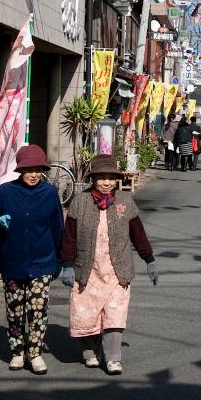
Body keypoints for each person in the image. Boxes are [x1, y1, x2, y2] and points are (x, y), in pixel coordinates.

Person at [59, 155, 157, 375]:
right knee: (86, 314)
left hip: (117, 270)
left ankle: (113, 359)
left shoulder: (124, 201)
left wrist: (149, 259)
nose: (106, 182)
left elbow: (138, 234)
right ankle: (90, 351)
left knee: (115, 315)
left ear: (116, 180)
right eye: (101, 178)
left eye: (110, 178)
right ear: (93, 179)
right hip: (87, 269)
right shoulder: (80, 202)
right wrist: (66, 264)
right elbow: (69, 237)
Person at [0, 144, 64, 374]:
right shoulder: (6, 191)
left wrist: (60, 260)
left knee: (38, 310)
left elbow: (58, 228)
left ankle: (35, 353)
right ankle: (18, 352)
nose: (35, 174)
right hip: (12, 260)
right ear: (20, 170)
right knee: (15, 310)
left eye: (39, 169)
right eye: (29, 169)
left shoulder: (49, 194)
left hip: (42, 261)